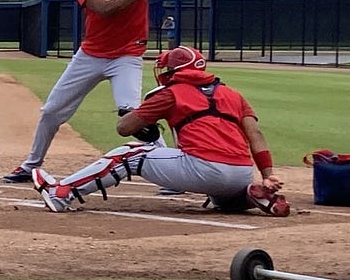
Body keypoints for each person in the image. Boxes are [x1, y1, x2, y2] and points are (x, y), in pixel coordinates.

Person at [2, 0, 198, 183]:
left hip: (126, 55)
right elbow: (105, 9)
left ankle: (171, 172)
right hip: (90, 55)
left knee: (133, 114)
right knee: (52, 111)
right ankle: (31, 165)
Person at [31, 45, 288, 216]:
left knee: (129, 154)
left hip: (203, 169)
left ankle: (61, 193)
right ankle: (250, 196)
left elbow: (124, 128)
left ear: (174, 70)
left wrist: (139, 118)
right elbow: (255, 135)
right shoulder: (233, 94)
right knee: (219, 194)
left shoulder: (170, 93)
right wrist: (268, 175)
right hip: (242, 173)